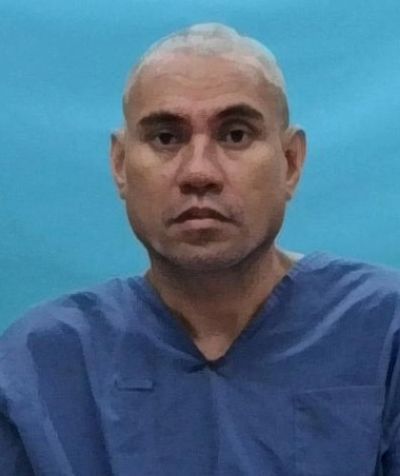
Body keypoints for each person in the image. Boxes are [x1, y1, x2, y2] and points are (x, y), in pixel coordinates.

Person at [0, 22, 399, 476]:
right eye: (166, 138)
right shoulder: (42, 364)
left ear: (290, 162)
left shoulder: (384, 333)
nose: (199, 173)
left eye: (235, 135)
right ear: (120, 166)